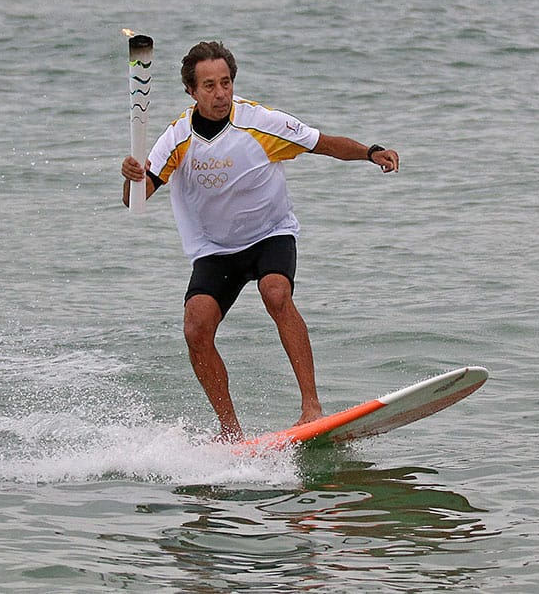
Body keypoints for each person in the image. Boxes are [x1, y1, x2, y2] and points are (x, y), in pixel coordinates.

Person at [120, 41, 399, 442]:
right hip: (216, 249)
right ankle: (230, 431)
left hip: (270, 234)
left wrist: (370, 152)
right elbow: (137, 199)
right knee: (195, 329)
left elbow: (322, 142)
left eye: (226, 83)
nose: (220, 94)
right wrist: (129, 178)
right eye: (210, 86)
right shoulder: (176, 138)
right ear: (192, 92)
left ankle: (311, 407)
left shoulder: (260, 122)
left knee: (275, 293)